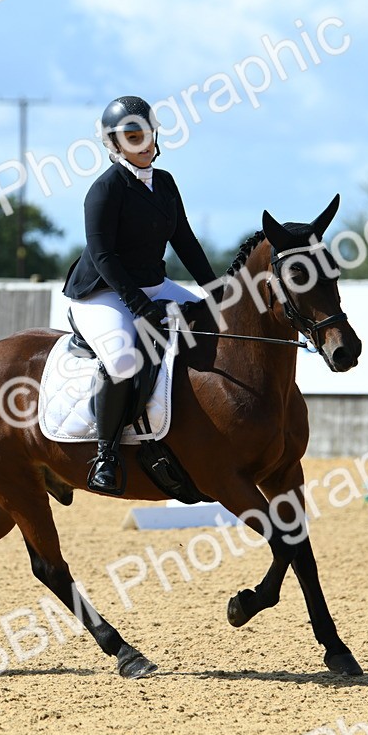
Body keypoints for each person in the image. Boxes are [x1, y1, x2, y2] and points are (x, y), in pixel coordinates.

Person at [62, 95, 219, 496]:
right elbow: (102, 257)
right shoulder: (105, 189)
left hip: (153, 284)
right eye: (133, 136)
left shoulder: (164, 182)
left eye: (148, 134)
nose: (144, 143)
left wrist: (218, 291)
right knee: (123, 359)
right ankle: (106, 453)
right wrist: (139, 306)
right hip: (101, 293)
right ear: (114, 143)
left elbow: (184, 240)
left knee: (216, 325)